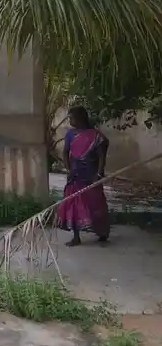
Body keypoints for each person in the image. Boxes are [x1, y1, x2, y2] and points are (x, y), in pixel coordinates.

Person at [58, 105, 110, 246]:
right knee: (74, 204)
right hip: (75, 175)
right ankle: (76, 237)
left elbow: (101, 157)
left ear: (81, 118)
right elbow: (65, 152)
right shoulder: (70, 134)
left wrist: (98, 174)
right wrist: (68, 169)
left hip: (92, 175)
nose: (70, 121)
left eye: (72, 118)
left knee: (96, 203)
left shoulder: (96, 136)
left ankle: (102, 233)